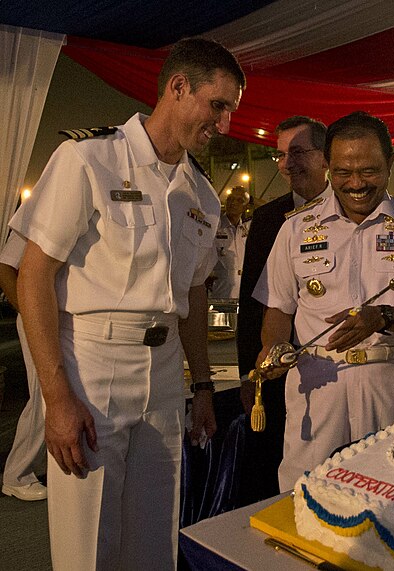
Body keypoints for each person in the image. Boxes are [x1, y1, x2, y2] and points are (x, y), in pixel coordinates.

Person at [9, 38, 245, 570]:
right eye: (218, 105)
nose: (225, 124)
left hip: (163, 376)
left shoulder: (200, 195)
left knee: (154, 537)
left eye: (231, 109)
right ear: (178, 87)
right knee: (88, 541)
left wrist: (202, 388)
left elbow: (191, 293)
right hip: (92, 364)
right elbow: (34, 276)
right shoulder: (88, 159)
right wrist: (56, 396)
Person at [254, 111, 394, 491]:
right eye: (344, 173)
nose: (357, 184)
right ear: (327, 166)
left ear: (390, 163)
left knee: (392, 487)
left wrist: (380, 317)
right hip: (315, 381)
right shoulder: (296, 228)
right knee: (304, 488)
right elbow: (279, 307)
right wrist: (274, 346)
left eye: (369, 171)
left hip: (387, 378)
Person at [236, 115, 330, 501]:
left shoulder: (351, 210)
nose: (287, 164)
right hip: (276, 368)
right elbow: (252, 303)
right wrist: (248, 373)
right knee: (278, 467)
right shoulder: (268, 219)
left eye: (298, 152)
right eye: (280, 155)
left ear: (325, 157)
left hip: (331, 370)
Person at [0, 232, 47, 501]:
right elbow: (5, 265)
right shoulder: (39, 205)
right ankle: (17, 474)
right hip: (38, 314)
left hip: (61, 315)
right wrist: (28, 310)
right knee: (45, 394)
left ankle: (39, 463)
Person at [207, 185, 250, 299]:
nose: (233, 203)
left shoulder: (248, 229)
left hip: (244, 294)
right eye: (230, 199)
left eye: (239, 200)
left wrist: (252, 198)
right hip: (221, 293)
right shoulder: (215, 226)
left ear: (246, 206)